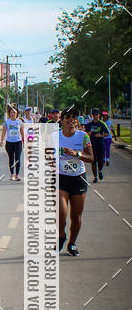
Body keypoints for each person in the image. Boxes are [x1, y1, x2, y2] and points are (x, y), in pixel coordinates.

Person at [56, 107, 94, 255]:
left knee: (76, 215)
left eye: (74, 117)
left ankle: (72, 243)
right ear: (62, 120)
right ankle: (61, 234)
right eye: (68, 117)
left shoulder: (83, 136)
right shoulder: (55, 136)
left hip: (78, 178)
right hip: (61, 177)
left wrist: (77, 154)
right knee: (61, 212)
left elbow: (91, 158)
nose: (71, 120)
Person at [0, 105, 24, 180]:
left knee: (17, 158)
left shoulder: (19, 122)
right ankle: (12, 174)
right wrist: (1, 140)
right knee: (11, 158)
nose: (13, 114)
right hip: (9, 142)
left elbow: (22, 132)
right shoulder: (6, 122)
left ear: (17, 113)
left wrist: (24, 141)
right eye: (11, 112)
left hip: (18, 142)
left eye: (14, 112)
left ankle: (17, 174)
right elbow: (3, 132)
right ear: (9, 113)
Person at [84, 108, 110, 182]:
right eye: (94, 115)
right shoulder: (89, 125)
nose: (95, 116)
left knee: (101, 161)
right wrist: (88, 134)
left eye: (97, 114)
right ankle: (95, 177)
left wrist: (101, 135)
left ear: (99, 115)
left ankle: (100, 171)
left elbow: (107, 133)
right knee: (93, 161)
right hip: (92, 146)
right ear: (92, 115)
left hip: (100, 145)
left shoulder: (102, 124)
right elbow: (85, 135)